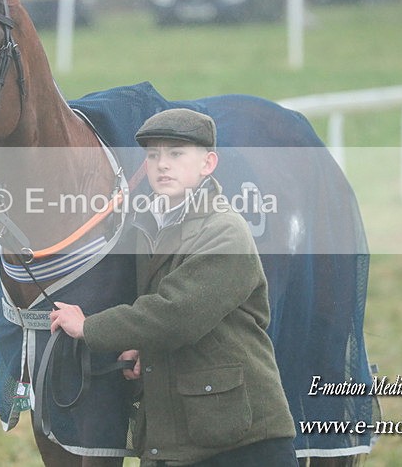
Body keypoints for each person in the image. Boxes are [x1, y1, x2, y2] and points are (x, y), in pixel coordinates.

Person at [50, 108, 298, 466]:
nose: (162, 164)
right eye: (153, 155)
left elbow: (175, 315)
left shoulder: (224, 231)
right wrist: (142, 348)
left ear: (208, 163)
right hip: (176, 443)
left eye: (176, 153)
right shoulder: (148, 227)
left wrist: (89, 327)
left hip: (242, 444)